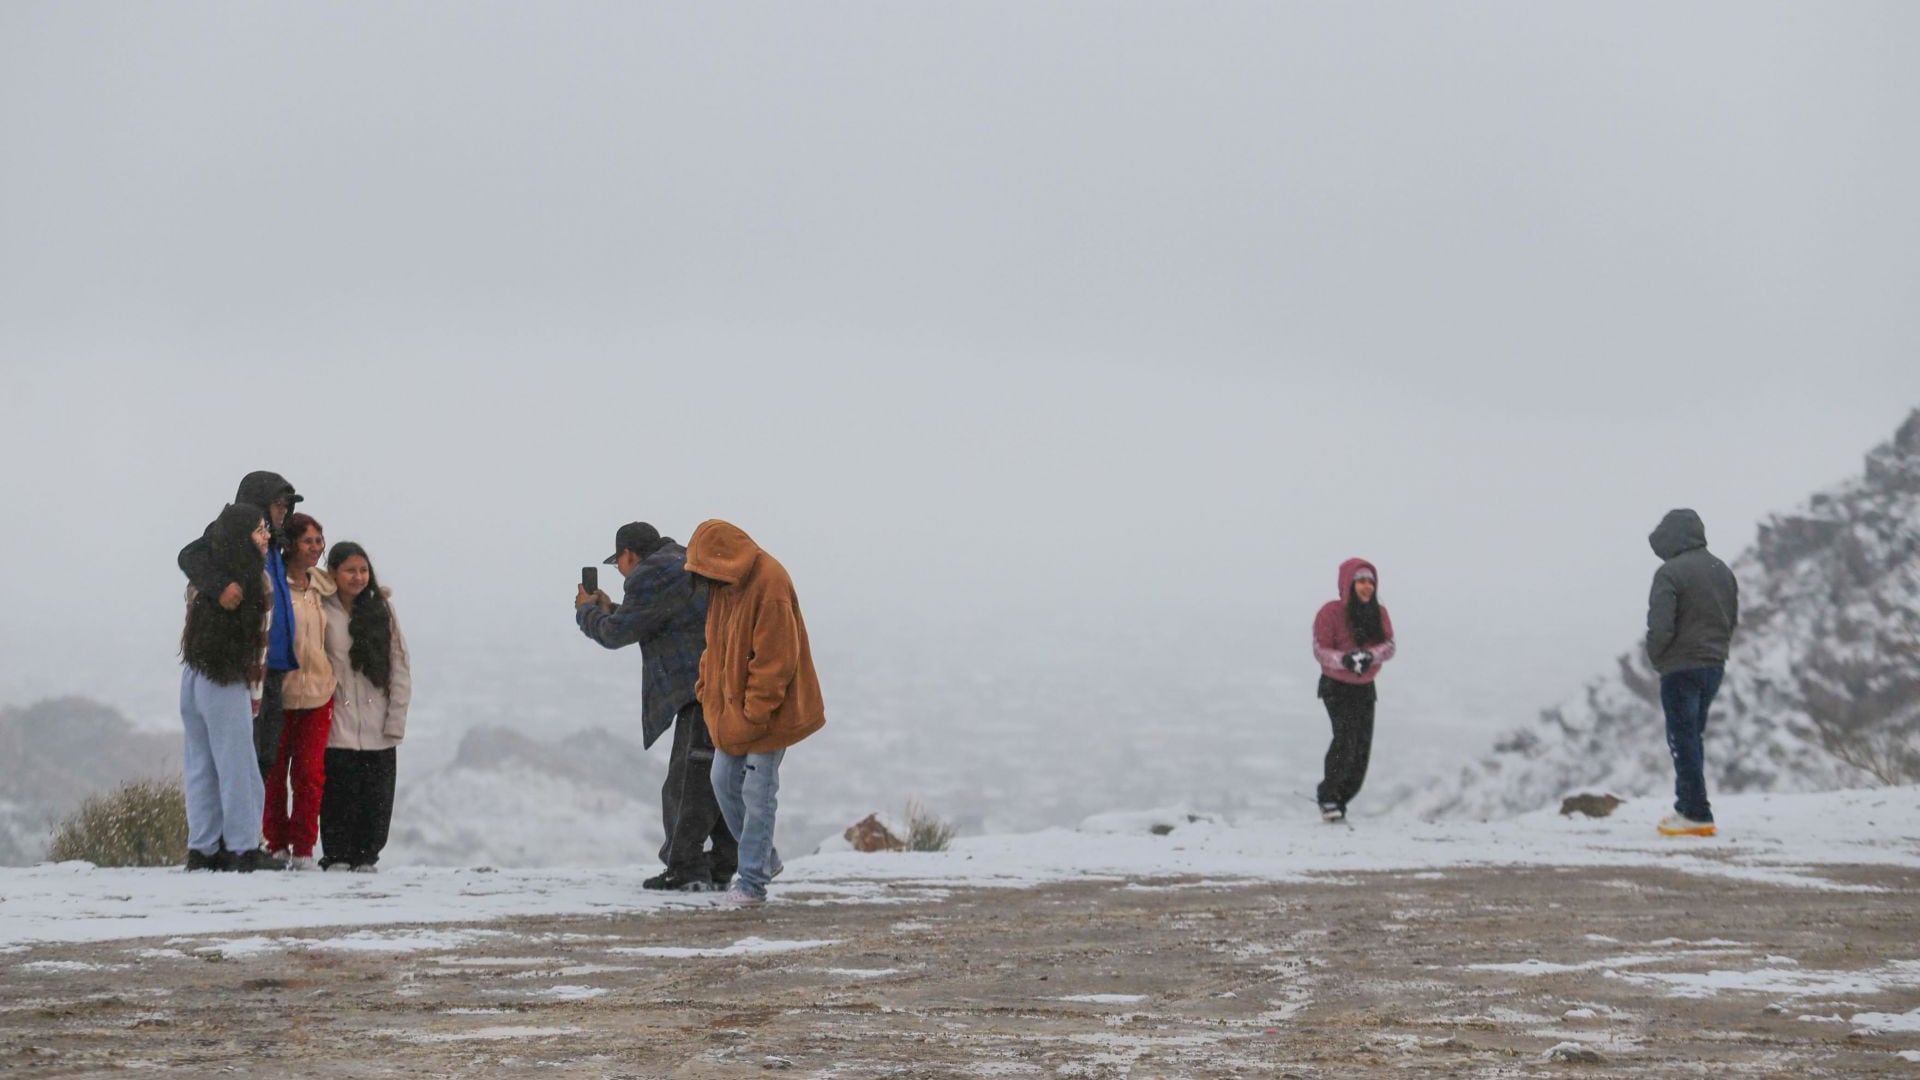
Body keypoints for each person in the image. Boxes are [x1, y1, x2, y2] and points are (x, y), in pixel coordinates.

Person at [576, 521, 735, 892]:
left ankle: (686, 868)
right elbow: (654, 618)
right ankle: (723, 862)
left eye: (620, 562)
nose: (621, 570)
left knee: (687, 781)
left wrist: (587, 613)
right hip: (722, 683)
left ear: (630, 555)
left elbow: (617, 634)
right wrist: (611, 607)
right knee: (714, 776)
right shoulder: (681, 561)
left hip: (699, 688)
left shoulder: (651, 574)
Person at [683, 520, 825, 906]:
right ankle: (765, 858)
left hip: (769, 714)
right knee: (723, 781)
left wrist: (754, 714)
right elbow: (714, 647)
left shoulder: (770, 582)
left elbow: (775, 662)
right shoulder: (723, 586)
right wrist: (706, 689)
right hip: (732, 711)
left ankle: (751, 884)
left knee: (758, 793)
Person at [178, 503, 285, 872]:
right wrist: (253, 701)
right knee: (238, 765)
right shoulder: (256, 580)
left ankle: (203, 848)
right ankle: (241, 847)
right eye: (259, 530)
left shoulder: (206, 575)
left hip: (195, 674)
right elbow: (257, 645)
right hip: (227, 678)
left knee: (201, 764)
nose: (266, 536)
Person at [180, 471, 304, 779]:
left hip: (272, 668)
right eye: (278, 504)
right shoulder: (230, 535)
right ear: (260, 503)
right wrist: (220, 586)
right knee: (237, 765)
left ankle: (250, 827)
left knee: (263, 761)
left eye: (286, 505)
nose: (284, 512)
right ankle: (234, 828)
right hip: (241, 670)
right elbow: (189, 555)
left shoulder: (275, 543)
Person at [1645, 508, 1739, 838]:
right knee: (1692, 737)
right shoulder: (1722, 571)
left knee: (1682, 739)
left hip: (1680, 667)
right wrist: (1716, 651)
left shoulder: (1669, 573)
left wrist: (1657, 657)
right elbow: (1731, 618)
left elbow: (1660, 627)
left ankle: (1695, 812)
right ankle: (1688, 807)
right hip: (1713, 665)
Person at [320, 541, 411, 872]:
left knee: (376, 800)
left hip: (377, 723)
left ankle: (367, 856)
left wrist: (395, 720)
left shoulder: (381, 609)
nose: (358, 577)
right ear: (333, 573)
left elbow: (399, 666)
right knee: (337, 797)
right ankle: (336, 856)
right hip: (337, 724)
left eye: (363, 570)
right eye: (349, 570)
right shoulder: (321, 607)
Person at [261, 512, 336, 870]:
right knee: (275, 773)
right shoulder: (273, 585)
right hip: (280, 693)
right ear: (290, 544)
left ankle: (305, 848)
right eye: (308, 541)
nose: (316, 548)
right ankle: (276, 844)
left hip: (318, 693)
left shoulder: (323, 587)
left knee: (309, 774)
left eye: (319, 541)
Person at [1310, 558, 1397, 823]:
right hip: (1336, 687)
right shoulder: (1330, 612)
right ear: (1348, 583)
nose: (1366, 587)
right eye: (1361, 581)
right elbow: (1320, 650)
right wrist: (1345, 659)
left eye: (1371, 582)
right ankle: (1328, 796)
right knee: (1345, 738)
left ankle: (1341, 800)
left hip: (1364, 688)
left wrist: (1370, 656)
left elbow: (1389, 646)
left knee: (1361, 748)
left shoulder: (1378, 614)